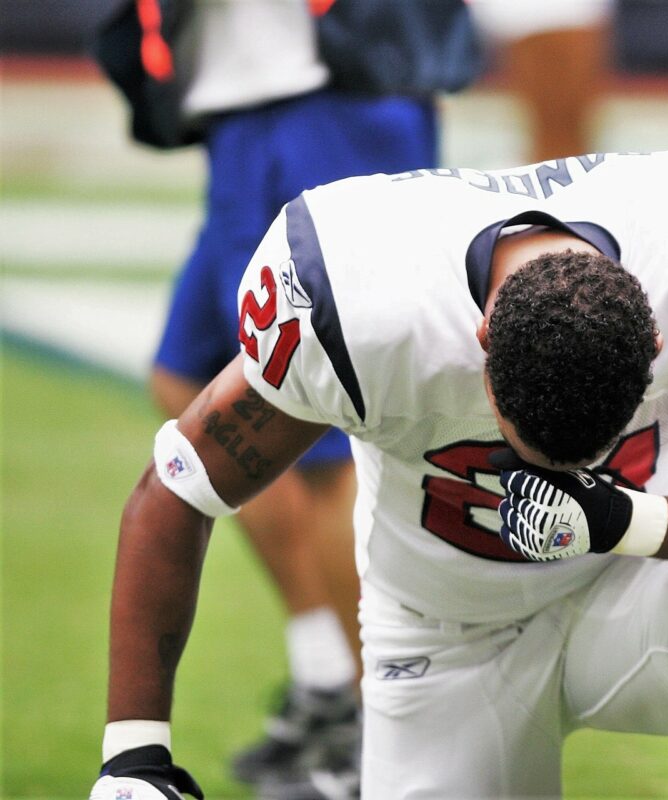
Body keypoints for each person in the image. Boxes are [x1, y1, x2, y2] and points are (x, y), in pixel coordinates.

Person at [88, 146, 668, 799]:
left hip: (627, 591)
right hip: (441, 639)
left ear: (655, 340)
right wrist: (134, 757)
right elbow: (176, 490)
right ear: (482, 343)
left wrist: (630, 521)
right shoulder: (357, 298)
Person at [90, 1, 480, 794]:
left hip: (321, 105)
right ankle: (329, 673)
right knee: (189, 379)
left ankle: (389, 738)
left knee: (320, 440)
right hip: (265, 106)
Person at [469, 0, 612, 162]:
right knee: (555, 125)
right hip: (538, 20)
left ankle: (560, 175)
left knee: (563, 124)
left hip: (557, 19)